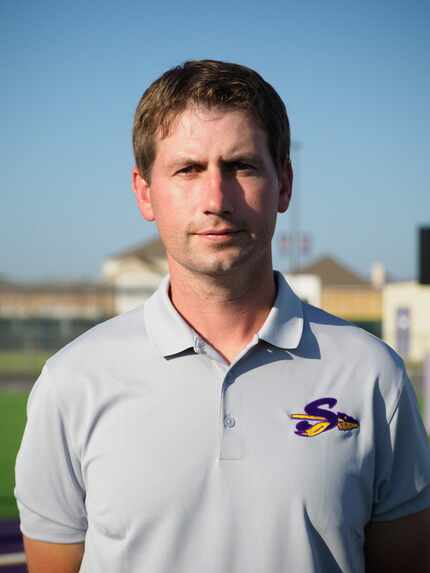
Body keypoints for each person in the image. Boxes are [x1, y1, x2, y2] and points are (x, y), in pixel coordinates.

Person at [15, 60, 430, 573]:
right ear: (145, 192)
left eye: (241, 166)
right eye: (188, 170)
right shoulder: (71, 382)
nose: (216, 199)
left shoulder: (373, 375)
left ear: (284, 185)